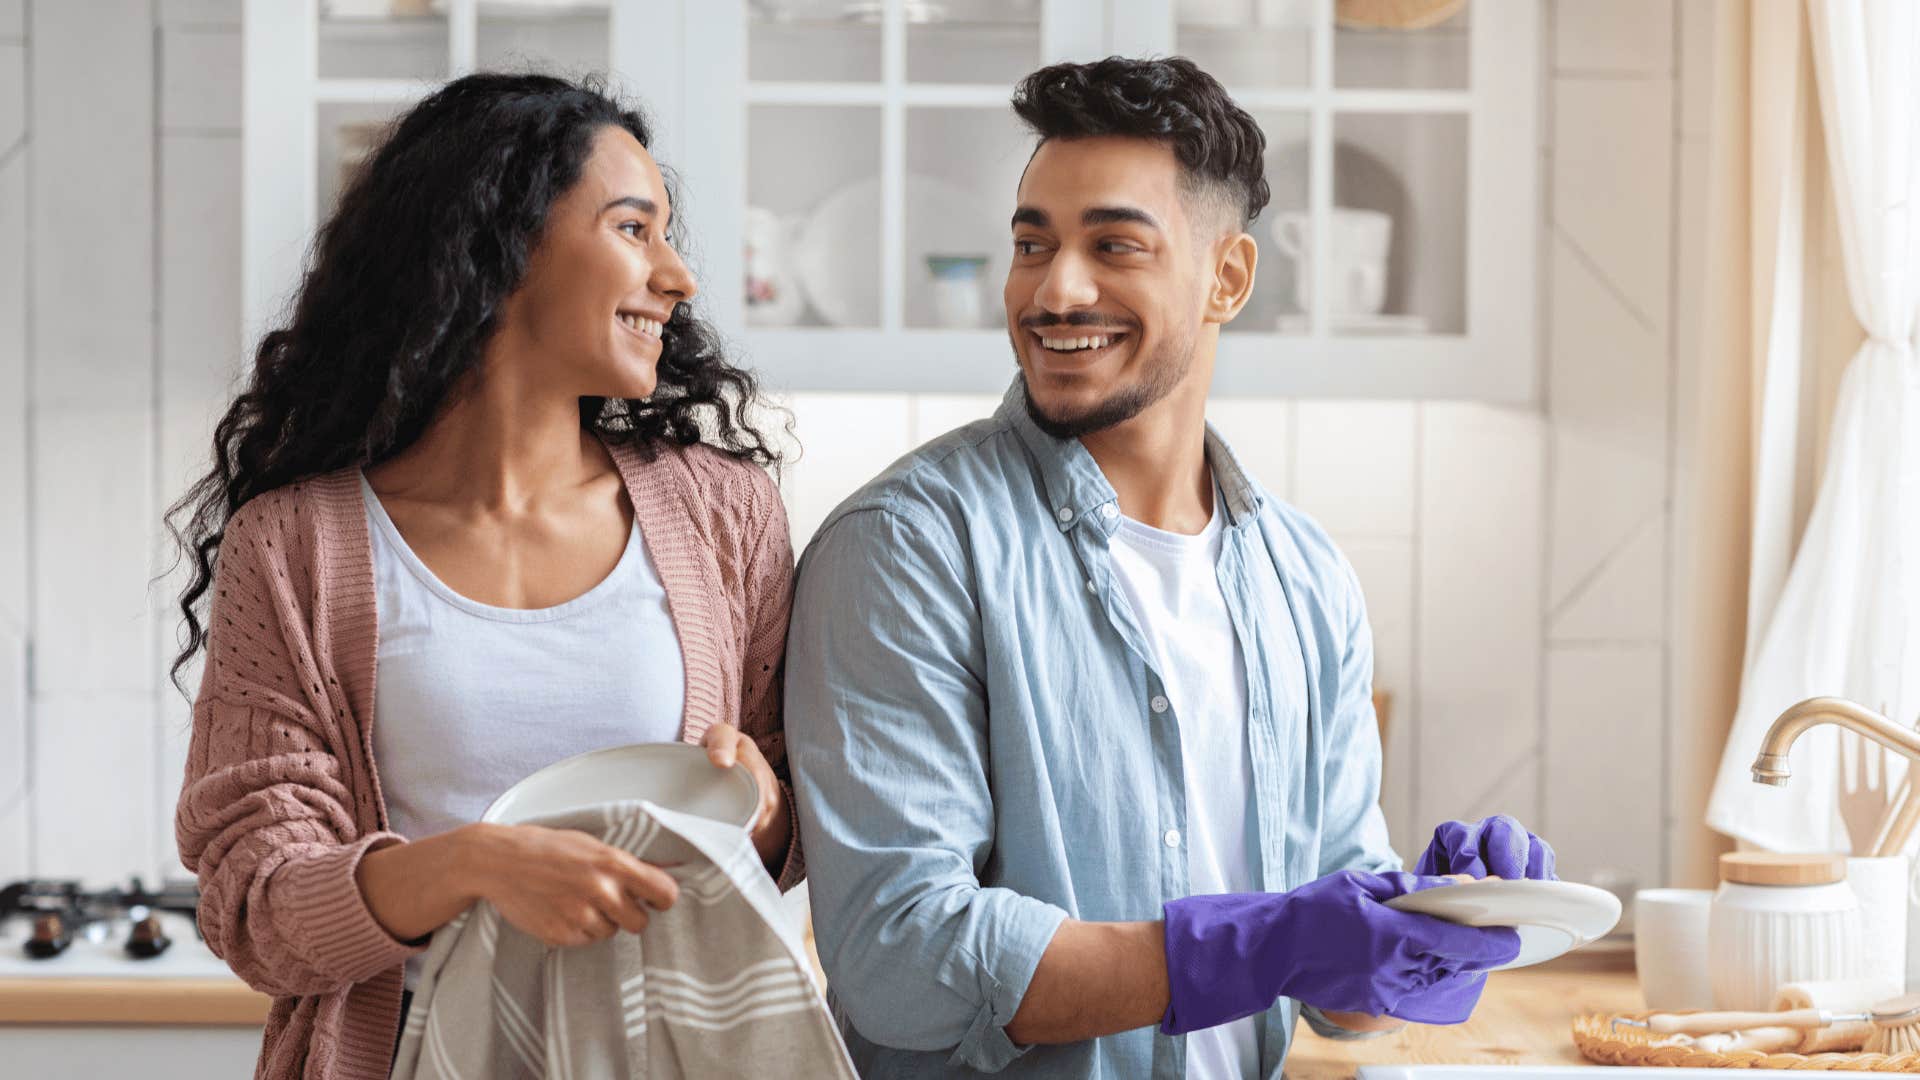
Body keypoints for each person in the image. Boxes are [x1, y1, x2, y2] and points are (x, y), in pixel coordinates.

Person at [785, 56, 1555, 1079]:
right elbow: (901, 958)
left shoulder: (1305, 580)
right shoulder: (910, 548)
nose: (1055, 289)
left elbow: (1342, 998)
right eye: (1033, 243)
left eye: (1113, 244)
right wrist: (1261, 942)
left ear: (1227, 278)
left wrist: (1431, 926)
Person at [169, 73, 801, 1079]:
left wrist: (763, 807)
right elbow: (256, 902)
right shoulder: (296, 546)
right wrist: (469, 866)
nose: (677, 276)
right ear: (495, 248)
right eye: (635, 229)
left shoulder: (726, 514)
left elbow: (793, 826)